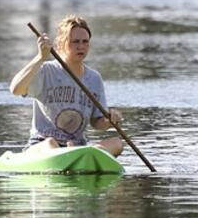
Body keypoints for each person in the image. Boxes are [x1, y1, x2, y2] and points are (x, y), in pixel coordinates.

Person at [9, 15, 124, 156]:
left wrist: (109, 120)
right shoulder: (46, 70)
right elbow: (15, 89)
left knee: (117, 143)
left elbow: (96, 122)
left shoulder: (94, 78)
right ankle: (73, 155)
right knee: (51, 143)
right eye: (75, 42)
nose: (81, 46)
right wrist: (40, 57)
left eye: (85, 42)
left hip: (77, 146)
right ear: (60, 44)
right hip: (42, 144)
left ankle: (83, 155)